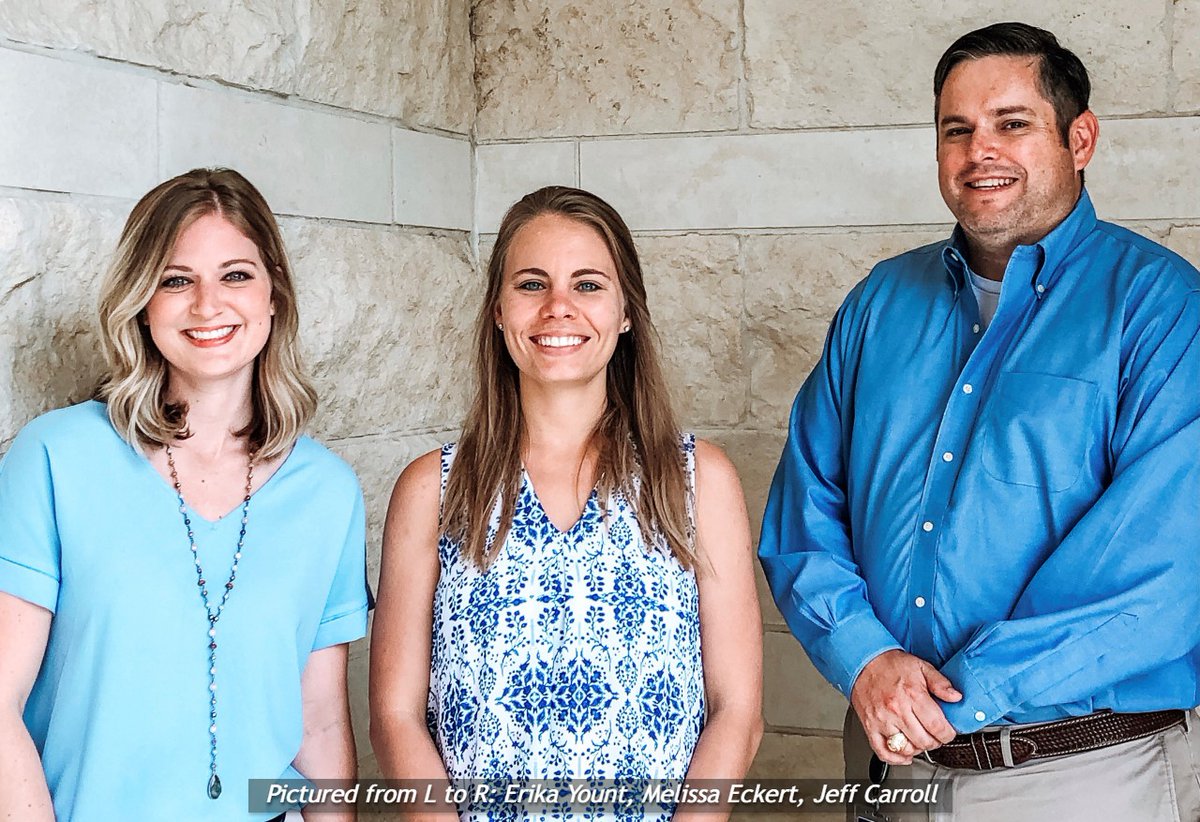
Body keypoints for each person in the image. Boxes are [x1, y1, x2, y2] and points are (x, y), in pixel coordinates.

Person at [759, 22, 1200, 821]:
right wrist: (865, 656)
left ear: (1080, 138)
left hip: (1083, 777)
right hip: (890, 771)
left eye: (1012, 123)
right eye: (955, 129)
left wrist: (950, 697)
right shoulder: (878, 305)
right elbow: (804, 513)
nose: (978, 152)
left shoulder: (1163, 310)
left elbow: (1166, 571)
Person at [370, 186, 763, 821]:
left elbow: (737, 710)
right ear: (498, 311)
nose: (558, 307)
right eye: (532, 284)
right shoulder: (434, 489)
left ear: (626, 311)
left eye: (587, 285)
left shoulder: (696, 480)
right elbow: (394, 716)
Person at [0, 168, 368, 821]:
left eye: (235, 275)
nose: (207, 304)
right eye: (176, 280)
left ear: (274, 293)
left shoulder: (329, 492)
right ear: (142, 302)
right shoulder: (55, 457)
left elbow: (320, 725)